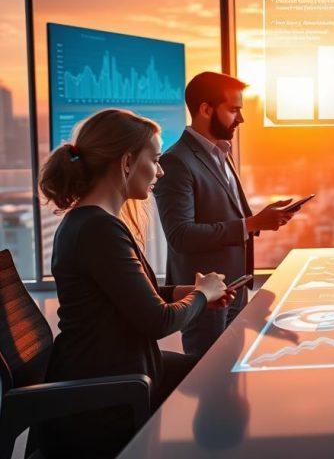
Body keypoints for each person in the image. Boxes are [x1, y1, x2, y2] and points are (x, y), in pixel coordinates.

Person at [35, 109, 230, 458]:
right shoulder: (98, 229)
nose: (160, 170)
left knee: (214, 370)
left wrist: (181, 292)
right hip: (108, 390)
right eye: (154, 160)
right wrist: (202, 295)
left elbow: (125, 294)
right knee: (217, 378)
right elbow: (158, 321)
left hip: (117, 368)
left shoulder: (94, 222)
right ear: (126, 162)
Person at [154, 72, 296, 357]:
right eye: (233, 110)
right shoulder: (176, 161)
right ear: (205, 109)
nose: (241, 119)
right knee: (208, 380)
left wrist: (260, 220)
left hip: (234, 287)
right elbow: (181, 235)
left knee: (234, 377)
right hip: (204, 296)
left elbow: (225, 214)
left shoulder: (222, 152)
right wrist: (252, 223)